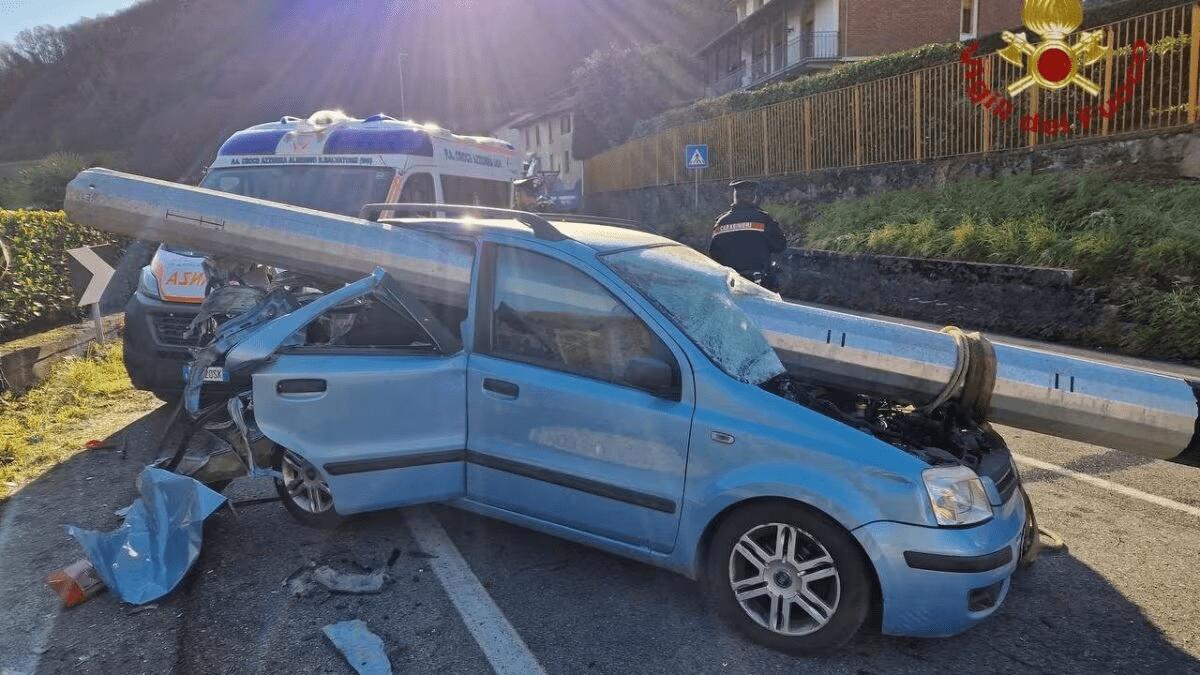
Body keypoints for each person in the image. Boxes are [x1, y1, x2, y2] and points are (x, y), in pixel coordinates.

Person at [709, 180, 787, 283]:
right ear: (753, 197)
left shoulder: (721, 222)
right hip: (759, 283)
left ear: (734, 197)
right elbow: (780, 246)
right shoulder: (763, 219)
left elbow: (713, 255)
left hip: (730, 284)